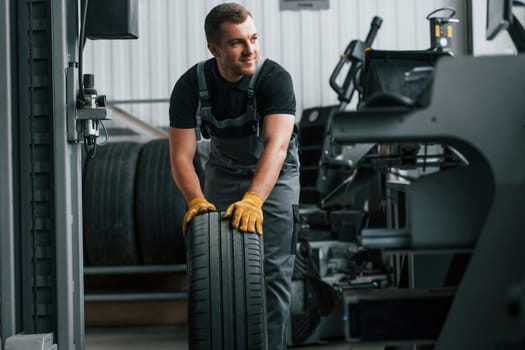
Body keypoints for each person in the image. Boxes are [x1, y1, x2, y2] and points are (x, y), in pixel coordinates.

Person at [168, 3, 300, 349]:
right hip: (223, 173)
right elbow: (181, 156)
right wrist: (196, 200)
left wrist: (255, 199)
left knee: (271, 273)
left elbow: (277, 147)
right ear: (214, 49)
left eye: (253, 38)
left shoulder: (274, 79)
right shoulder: (190, 86)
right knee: (212, 268)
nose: (250, 50)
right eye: (237, 43)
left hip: (275, 176)